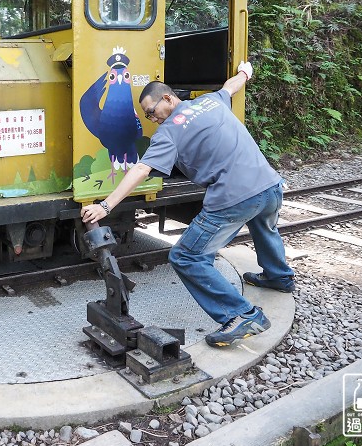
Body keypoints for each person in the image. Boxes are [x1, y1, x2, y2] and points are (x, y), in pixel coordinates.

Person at [80, 61, 295, 348]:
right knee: (264, 226)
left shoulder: (170, 131)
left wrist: (105, 207)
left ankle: (241, 315)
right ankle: (279, 277)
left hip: (234, 198)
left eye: (151, 112)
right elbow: (230, 87)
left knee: (186, 257)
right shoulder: (209, 101)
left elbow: (141, 169)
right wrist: (245, 72)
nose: (151, 118)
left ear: (167, 98)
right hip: (269, 187)